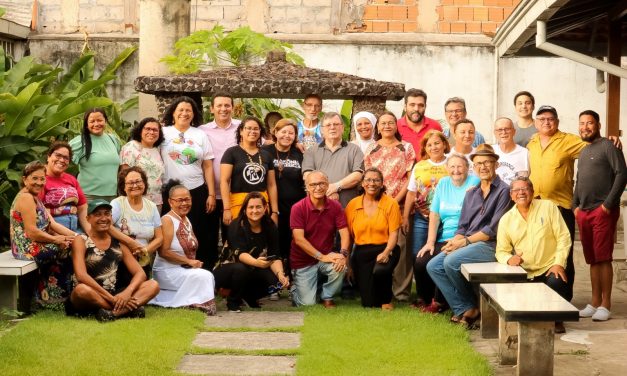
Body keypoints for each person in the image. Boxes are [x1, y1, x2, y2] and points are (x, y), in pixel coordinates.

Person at [427, 144, 512, 328]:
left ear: (496, 165)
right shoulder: (472, 193)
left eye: (487, 162)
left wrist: (463, 242)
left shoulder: (504, 191)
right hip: (468, 243)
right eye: (479, 163)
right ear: (474, 167)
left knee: (451, 262)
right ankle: (466, 307)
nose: (483, 167)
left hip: (491, 245)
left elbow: (493, 230)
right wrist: (455, 241)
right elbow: (463, 225)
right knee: (434, 265)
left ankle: (469, 308)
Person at [496, 177, 571, 332]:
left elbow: (563, 237)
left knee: (557, 281)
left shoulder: (548, 207)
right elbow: (501, 251)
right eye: (516, 190)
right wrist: (509, 259)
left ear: (532, 192)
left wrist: (558, 263)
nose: (521, 193)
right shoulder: (506, 220)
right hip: (525, 271)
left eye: (525, 189)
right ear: (511, 195)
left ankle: (556, 319)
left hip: (548, 267)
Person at [573, 110, 627, 321]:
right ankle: (594, 302)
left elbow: (622, 173)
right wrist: (574, 205)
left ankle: (606, 304)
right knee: (593, 259)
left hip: (602, 211)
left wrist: (607, 205)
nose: (585, 127)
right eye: (582, 123)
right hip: (584, 212)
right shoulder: (585, 151)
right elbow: (579, 180)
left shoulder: (609, 146)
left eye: (590, 123)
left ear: (598, 125)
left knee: (603, 258)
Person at [67, 199, 160, 321]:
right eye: (98, 214)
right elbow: (81, 276)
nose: (103, 218)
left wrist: (127, 293)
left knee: (153, 285)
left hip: (114, 292)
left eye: (107, 214)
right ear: (88, 218)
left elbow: (140, 273)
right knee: (81, 290)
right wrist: (112, 299)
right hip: (91, 294)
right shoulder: (81, 240)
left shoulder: (119, 243)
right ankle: (126, 310)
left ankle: (113, 314)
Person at [414, 155, 480, 312]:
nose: (456, 170)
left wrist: (460, 240)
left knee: (442, 261)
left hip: (465, 238)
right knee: (421, 260)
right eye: (452, 167)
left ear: (467, 168)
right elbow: (435, 214)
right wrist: (430, 242)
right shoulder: (443, 183)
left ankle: (440, 303)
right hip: (444, 237)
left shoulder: (474, 182)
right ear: (447, 169)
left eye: (460, 167)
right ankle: (426, 298)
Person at [10, 161, 77, 309]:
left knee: (74, 243)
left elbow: (52, 224)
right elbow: (32, 232)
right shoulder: (25, 198)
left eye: (42, 178)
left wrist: (76, 236)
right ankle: (54, 300)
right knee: (68, 250)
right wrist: (56, 239)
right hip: (26, 247)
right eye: (35, 178)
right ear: (24, 179)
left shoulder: (35, 197)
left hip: (36, 243)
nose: (39, 182)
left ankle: (52, 297)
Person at [364, 111, 416, 301]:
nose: (387, 126)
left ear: (396, 125)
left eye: (390, 123)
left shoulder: (407, 148)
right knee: (377, 245)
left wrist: (395, 200)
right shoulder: (371, 148)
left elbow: (411, 178)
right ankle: (378, 289)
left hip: (400, 205)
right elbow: (368, 177)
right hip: (376, 205)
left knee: (401, 250)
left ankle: (401, 292)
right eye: (383, 123)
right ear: (378, 127)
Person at [160, 96, 216, 268]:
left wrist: (212, 194)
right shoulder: (163, 132)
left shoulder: (200, 134)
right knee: (171, 232)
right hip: (169, 191)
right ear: (173, 113)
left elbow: (207, 166)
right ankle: (173, 267)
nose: (184, 113)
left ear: (194, 114)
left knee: (198, 231)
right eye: (181, 110)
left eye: (188, 111)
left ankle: (201, 269)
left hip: (196, 190)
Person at [213, 192, 290, 312]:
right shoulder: (236, 225)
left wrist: (280, 274)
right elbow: (240, 254)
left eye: (258, 207)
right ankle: (233, 301)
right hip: (228, 269)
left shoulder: (270, 226)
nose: (255, 210)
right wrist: (257, 263)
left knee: (276, 283)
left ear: (265, 208)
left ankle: (249, 297)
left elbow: (275, 255)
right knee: (241, 269)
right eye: (251, 207)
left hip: (253, 268)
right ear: (245, 209)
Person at [150, 181, 217, 315]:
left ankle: (193, 301)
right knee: (204, 276)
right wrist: (188, 262)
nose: (184, 203)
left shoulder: (186, 219)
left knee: (207, 276)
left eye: (187, 199)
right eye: (180, 200)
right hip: (166, 271)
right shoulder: (167, 220)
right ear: (170, 202)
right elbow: (163, 252)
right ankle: (191, 303)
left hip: (182, 270)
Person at [290, 171, 350, 307]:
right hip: (303, 261)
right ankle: (295, 290)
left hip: (325, 256)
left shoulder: (335, 206)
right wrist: (321, 257)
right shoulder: (298, 208)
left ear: (328, 185)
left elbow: (344, 232)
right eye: (313, 184)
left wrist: (343, 254)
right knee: (307, 304)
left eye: (322, 183)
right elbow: (299, 239)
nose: (318, 188)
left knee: (340, 265)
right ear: (307, 187)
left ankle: (327, 296)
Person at [346, 168, 401, 310]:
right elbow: (349, 238)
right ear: (362, 183)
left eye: (376, 180)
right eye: (368, 180)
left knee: (380, 271)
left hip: (386, 247)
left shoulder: (391, 203)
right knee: (368, 303)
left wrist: (387, 252)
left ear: (382, 184)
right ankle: (373, 295)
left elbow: (394, 234)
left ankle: (387, 300)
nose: (372, 183)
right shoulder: (352, 204)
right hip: (362, 252)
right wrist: (348, 264)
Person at [200, 93, 241, 271]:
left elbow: (263, 143)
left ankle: (228, 276)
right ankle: (208, 274)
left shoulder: (242, 127)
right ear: (212, 109)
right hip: (209, 192)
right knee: (207, 236)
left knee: (232, 236)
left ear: (232, 107)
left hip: (235, 193)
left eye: (227, 105)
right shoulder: (202, 131)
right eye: (219, 105)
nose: (223, 109)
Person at [262, 119, 306, 277]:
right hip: (271, 206)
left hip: (295, 207)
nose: (287, 136)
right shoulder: (265, 151)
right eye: (283, 132)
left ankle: (292, 278)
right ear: (275, 132)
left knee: (292, 242)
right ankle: (274, 279)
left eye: (291, 133)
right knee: (273, 242)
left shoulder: (299, 153)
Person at [220, 116, 279, 227]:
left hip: (261, 204)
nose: (253, 131)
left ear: (260, 132)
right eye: (249, 128)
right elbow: (224, 181)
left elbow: (271, 184)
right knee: (239, 237)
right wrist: (226, 208)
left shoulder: (266, 154)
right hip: (238, 204)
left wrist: (275, 212)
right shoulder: (231, 152)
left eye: (256, 129)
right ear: (241, 131)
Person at [302, 112, 364, 207]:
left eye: (336, 124)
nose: (332, 127)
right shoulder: (311, 151)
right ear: (322, 130)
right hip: (318, 208)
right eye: (328, 125)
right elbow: (307, 176)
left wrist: (336, 186)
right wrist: (327, 190)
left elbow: (358, 175)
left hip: (347, 207)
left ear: (342, 128)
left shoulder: (354, 149)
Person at [404, 130, 450, 258]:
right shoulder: (419, 166)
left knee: (442, 253)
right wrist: (405, 217)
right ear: (425, 148)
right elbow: (411, 193)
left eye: (437, 143)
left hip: (446, 218)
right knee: (417, 254)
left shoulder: (452, 164)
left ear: (444, 145)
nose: (433, 147)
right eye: (429, 145)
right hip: (422, 218)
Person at [110, 167, 163, 277]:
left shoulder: (152, 206)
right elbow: (107, 226)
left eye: (138, 181)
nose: (135, 185)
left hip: (143, 260)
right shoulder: (117, 204)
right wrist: (130, 243)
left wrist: (144, 250)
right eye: (130, 183)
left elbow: (159, 238)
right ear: (123, 187)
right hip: (120, 259)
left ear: (144, 183)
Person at [69, 108, 121, 202]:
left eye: (100, 120)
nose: (96, 124)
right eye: (92, 121)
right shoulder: (79, 141)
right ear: (86, 124)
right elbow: (61, 161)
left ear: (105, 121)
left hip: (113, 196)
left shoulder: (113, 140)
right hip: (89, 196)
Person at [40, 141, 89, 233]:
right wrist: (70, 236)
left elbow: (82, 208)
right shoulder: (39, 179)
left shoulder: (71, 179)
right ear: (48, 157)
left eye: (66, 158)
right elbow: (38, 210)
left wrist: (90, 234)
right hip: (51, 230)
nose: (62, 160)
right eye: (58, 155)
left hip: (75, 228)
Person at [120, 117, 165, 210]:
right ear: (140, 131)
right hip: (136, 201)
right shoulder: (131, 147)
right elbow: (124, 177)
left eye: (155, 130)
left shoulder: (157, 150)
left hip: (157, 202)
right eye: (147, 129)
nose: (151, 132)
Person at [396, 88, 442, 159]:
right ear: (405, 107)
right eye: (412, 105)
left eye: (420, 105)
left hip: (429, 169)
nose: (416, 109)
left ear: (425, 107)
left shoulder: (435, 126)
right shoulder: (395, 126)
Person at [492, 117, 529, 185]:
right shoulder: (490, 151)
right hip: (494, 194)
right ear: (495, 133)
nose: (504, 132)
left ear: (514, 131)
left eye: (507, 129)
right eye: (500, 130)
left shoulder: (525, 153)